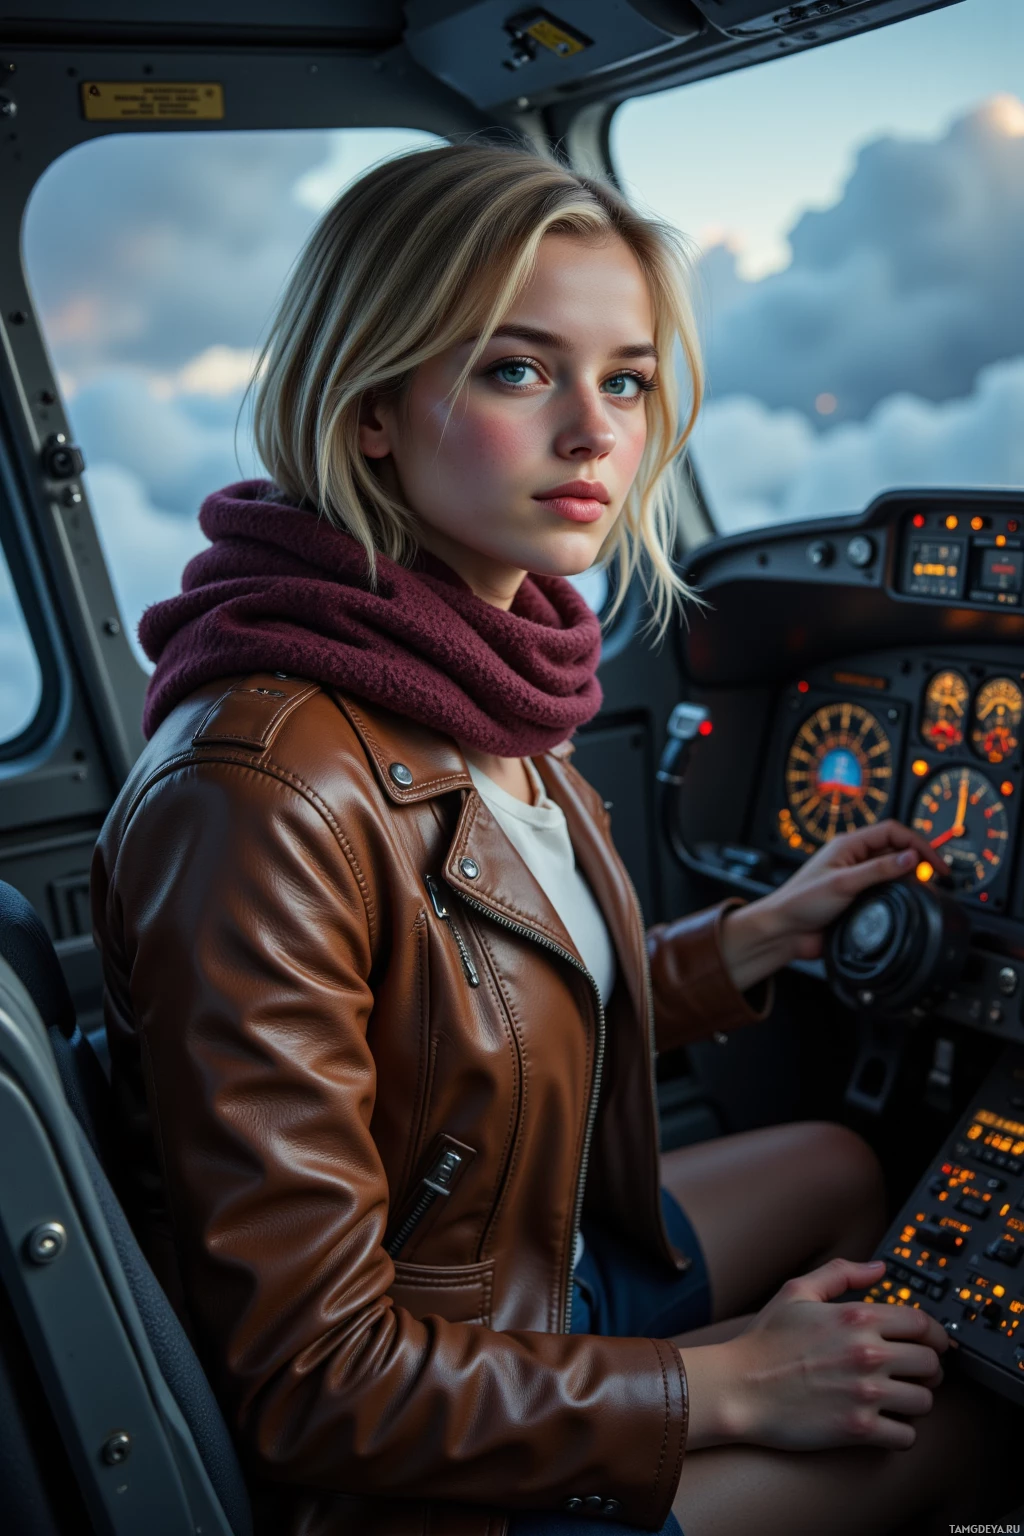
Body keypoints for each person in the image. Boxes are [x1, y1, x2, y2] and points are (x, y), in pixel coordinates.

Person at [90, 141, 1020, 1536]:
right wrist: (722, 1391)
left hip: (515, 1287)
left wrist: (744, 942)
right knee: (972, 1416)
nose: (595, 431)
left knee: (841, 1164)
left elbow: (466, 1032)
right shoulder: (263, 795)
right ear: (371, 414)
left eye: (627, 378)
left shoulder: (469, 673)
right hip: (403, 1461)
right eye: (518, 370)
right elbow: (309, 1383)